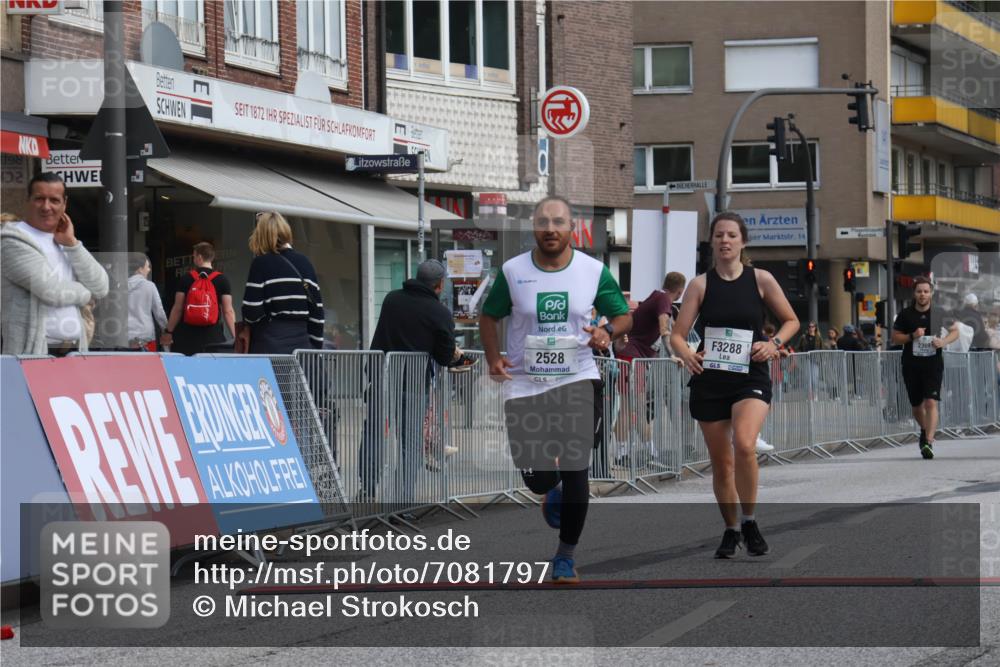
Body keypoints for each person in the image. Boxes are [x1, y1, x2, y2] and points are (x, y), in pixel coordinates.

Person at [480, 195, 632, 583]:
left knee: (577, 466)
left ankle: (565, 556)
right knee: (539, 479)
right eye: (543, 222)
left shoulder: (592, 271)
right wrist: (493, 357)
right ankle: (552, 488)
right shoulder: (513, 271)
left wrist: (606, 331)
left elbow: (622, 316)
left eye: (558, 222)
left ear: (571, 228)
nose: (550, 229)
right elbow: (489, 315)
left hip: (577, 377)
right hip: (526, 385)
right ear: (534, 227)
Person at [670, 211, 798, 559]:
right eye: (719, 235)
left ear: (743, 241)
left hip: (750, 375)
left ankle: (750, 520)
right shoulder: (700, 285)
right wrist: (687, 354)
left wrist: (773, 344)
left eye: (731, 235)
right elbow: (677, 335)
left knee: (744, 444)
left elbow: (791, 320)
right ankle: (731, 528)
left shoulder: (761, 279)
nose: (725, 241)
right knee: (722, 462)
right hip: (711, 378)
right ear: (712, 241)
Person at [359, 259, 464, 506]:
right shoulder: (439, 313)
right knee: (411, 445)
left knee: (374, 434)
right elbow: (443, 356)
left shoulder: (392, 300)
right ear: (440, 284)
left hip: (382, 377)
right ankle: (402, 501)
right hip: (414, 385)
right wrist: (456, 356)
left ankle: (367, 490)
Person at [1, 173, 109, 355]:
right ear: (27, 200)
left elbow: (101, 287)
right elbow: (51, 291)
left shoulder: (65, 241)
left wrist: (72, 244)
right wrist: (87, 294)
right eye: (39, 199)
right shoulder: (11, 240)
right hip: (33, 353)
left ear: (64, 203)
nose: (46, 207)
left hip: (74, 350)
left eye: (54, 200)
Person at [614, 271, 687, 467]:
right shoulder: (663, 300)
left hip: (632, 356)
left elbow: (671, 328)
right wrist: (672, 355)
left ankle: (641, 452)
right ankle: (634, 453)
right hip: (632, 357)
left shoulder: (656, 296)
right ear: (680, 291)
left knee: (633, 407)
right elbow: (665, 329)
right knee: (632, 407)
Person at [891, 276, 960, 459]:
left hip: (933, 364)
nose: (922, 294)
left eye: (926, 291)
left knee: (930, 402)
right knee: (916, 407)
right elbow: (895, 338)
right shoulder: (905, 314)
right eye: (919, 291)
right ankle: (924, 430)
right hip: (911, 364)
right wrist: (912, 335)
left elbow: (955, 332)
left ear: (931, 293)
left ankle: (928, 441)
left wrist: (942, 342)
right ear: (914, 293)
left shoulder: (940, 312)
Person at [241, 212, 324, 354]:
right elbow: (317, 313)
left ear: (262, 235)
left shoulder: (261, 263)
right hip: (301, 347)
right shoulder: (305, 263)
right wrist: (314, 350)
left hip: (269, 346)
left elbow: (251, 310)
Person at [161, 242, 236, 354]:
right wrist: (235, 336)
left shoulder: (186, 279)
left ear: (199, 257)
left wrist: (168, 332)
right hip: (213, 339)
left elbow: (178, 309)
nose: (194, 259)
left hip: (187, 339)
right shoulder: (222, 280)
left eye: (194, 256)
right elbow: (228, 311)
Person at [127, 254, 167, 350]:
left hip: (125, 336)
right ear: (140, 269)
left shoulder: (120, 287)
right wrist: (166, 330)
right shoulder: (150, 286)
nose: (149, 270)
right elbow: (159, 312)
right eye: (147, 266)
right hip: (145, 336)